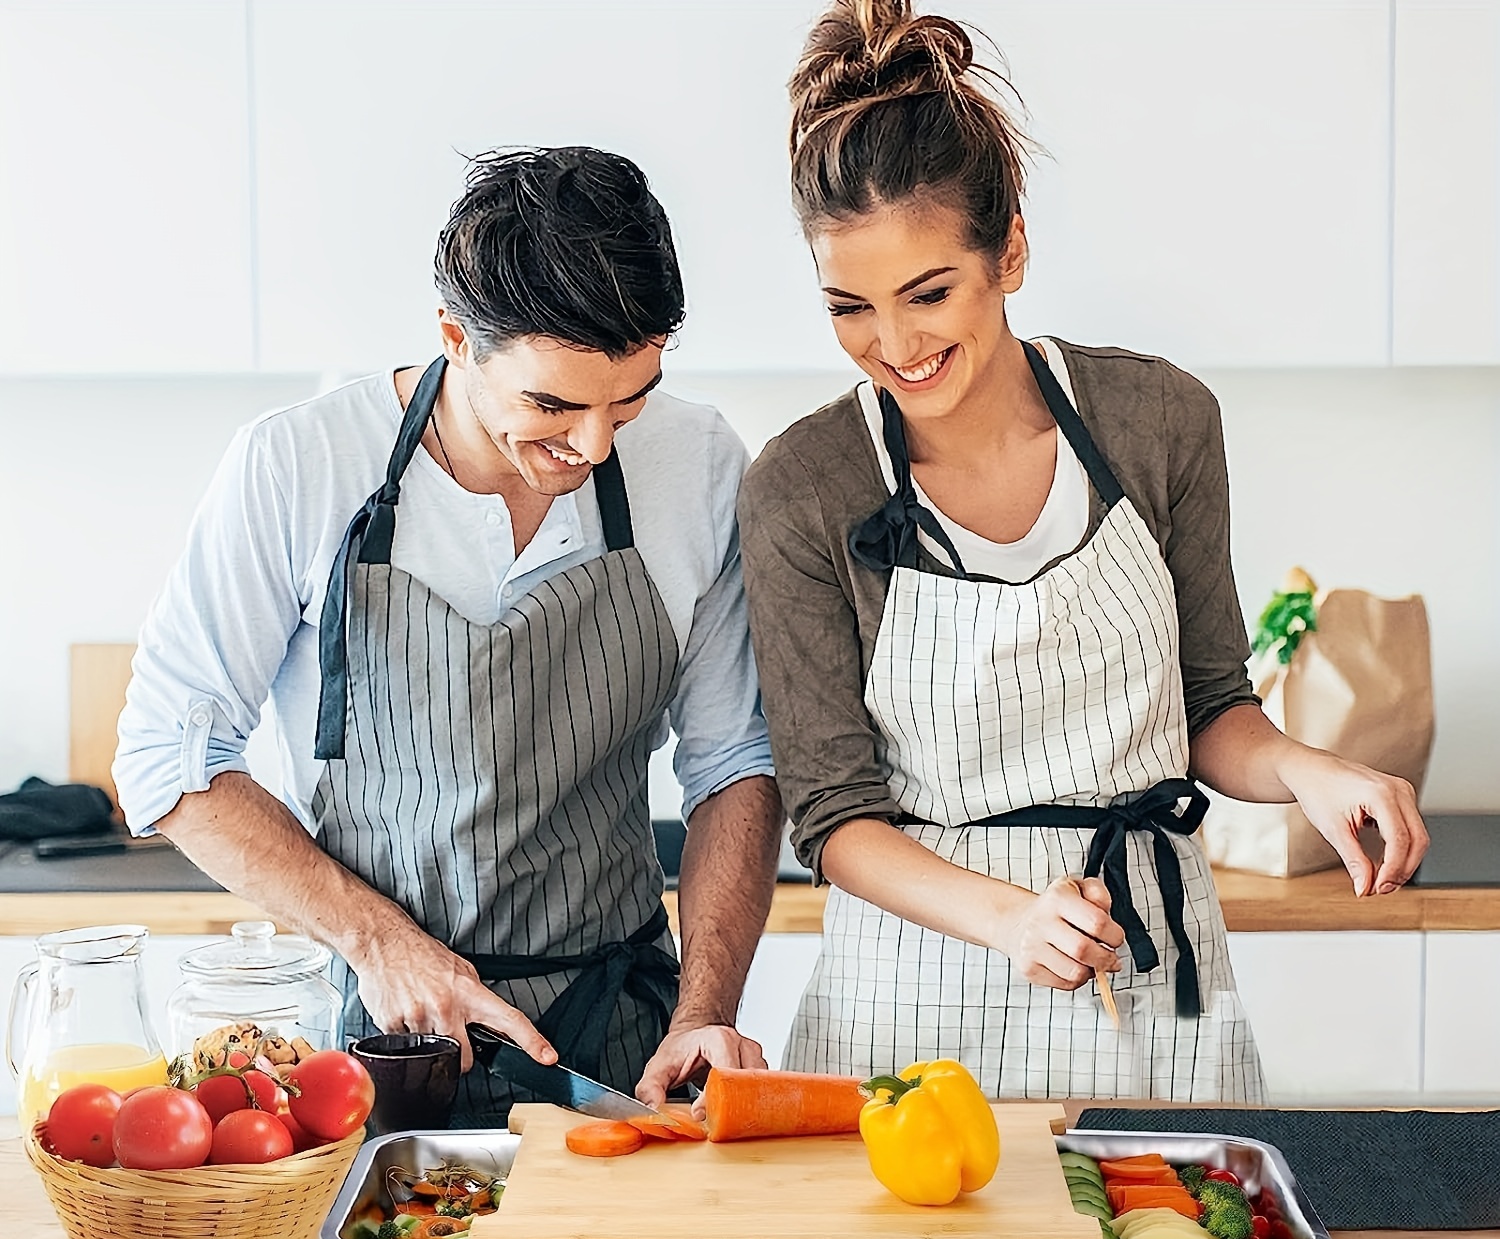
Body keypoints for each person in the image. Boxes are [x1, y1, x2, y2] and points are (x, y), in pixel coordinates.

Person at [736, 0, 1428, 1102]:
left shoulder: (1159, 422)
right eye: (850, 308)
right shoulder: (803, 485)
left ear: (1008, 250)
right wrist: (1008, 916)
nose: (896, 345)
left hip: (1148, 964)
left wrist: (1304, 767)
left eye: (930, 293)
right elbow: (832, 817)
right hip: (913, 1000)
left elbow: (1210, 708)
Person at [115, 147, 783, 1122]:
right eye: (552, 404)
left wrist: (705, 1010)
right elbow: (166, 758)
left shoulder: (700, 461)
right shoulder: (300, 465)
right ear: (454, 339)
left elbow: (736, 762)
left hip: (623, 1042)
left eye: (627, 400)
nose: (593, 444)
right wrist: (379, 942)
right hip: (382, 1046)